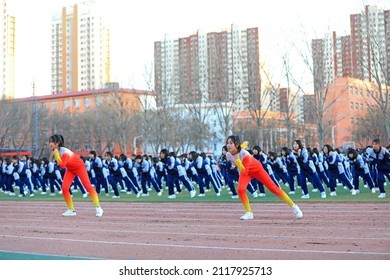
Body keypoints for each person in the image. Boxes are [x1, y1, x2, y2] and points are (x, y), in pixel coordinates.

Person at [225, 135, 303, 220]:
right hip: (246, 172)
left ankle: (294, 206)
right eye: (227, 143)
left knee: (274, 188)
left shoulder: (245, 154)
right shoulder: (228, 154)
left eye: (231, 143)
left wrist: (238, 159)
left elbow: (244, 170)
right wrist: (238, 158)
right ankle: (249, 212)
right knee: (240, 190)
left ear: (236, 144)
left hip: (257, 170)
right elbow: (241, 169)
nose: (228, 145)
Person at [49, 134, 103, 217]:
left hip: (79, 167)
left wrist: (56, 155)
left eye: (52, 142)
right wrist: (56, 154)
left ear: (58, 143)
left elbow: (62, 165)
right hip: (70, 169)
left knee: (88, 186)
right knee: (64, 188)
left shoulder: (64, 152)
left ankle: (98, 208)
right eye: (50, 142)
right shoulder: (57, 151)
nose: (50, 144)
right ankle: (71, 210)